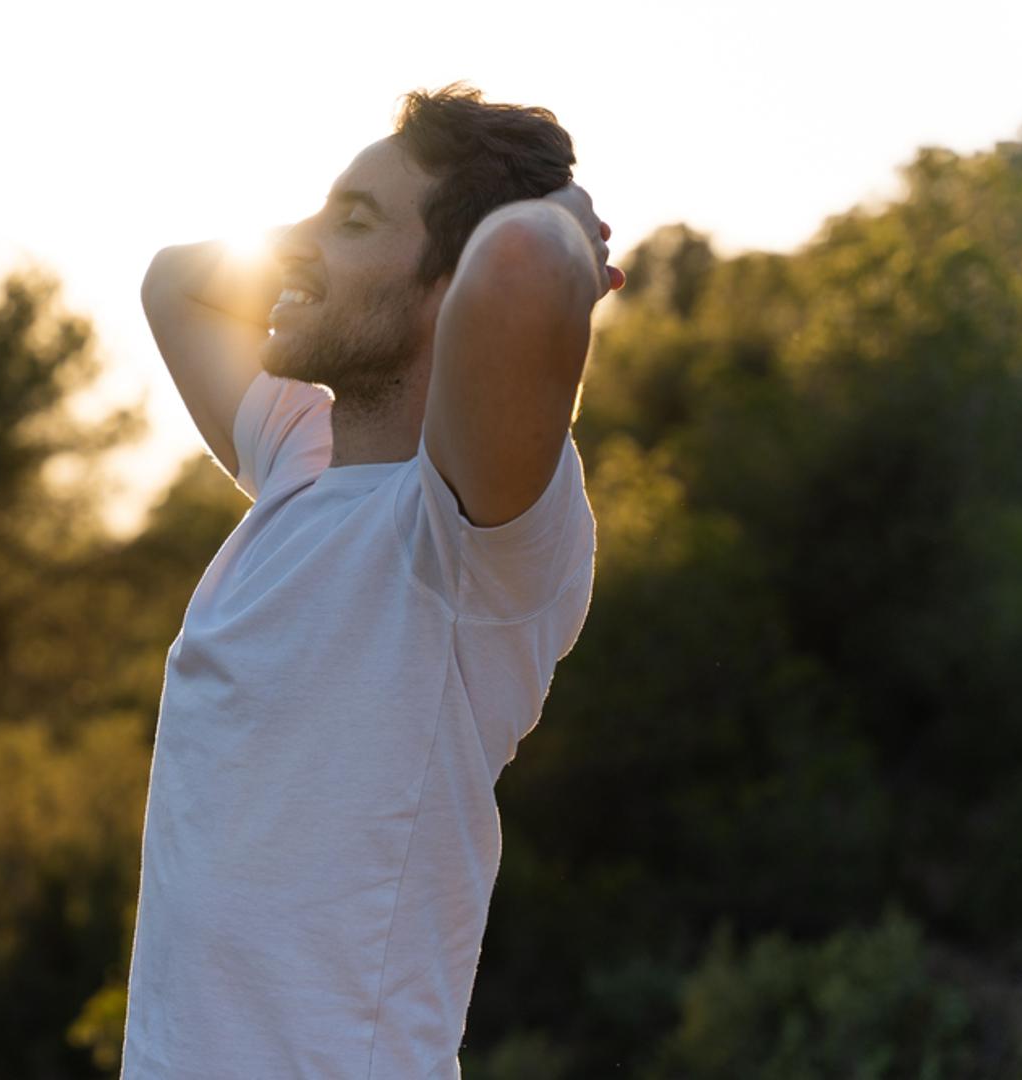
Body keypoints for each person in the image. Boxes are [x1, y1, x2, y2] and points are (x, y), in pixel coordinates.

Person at [120, 83, 625, 1079]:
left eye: (355, 222)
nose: (300, 244)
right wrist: (324, 245)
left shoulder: (465, 538)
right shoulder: (300, 460)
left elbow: (522, 265)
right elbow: (172, 279)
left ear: (449, 283)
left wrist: (562, 215)